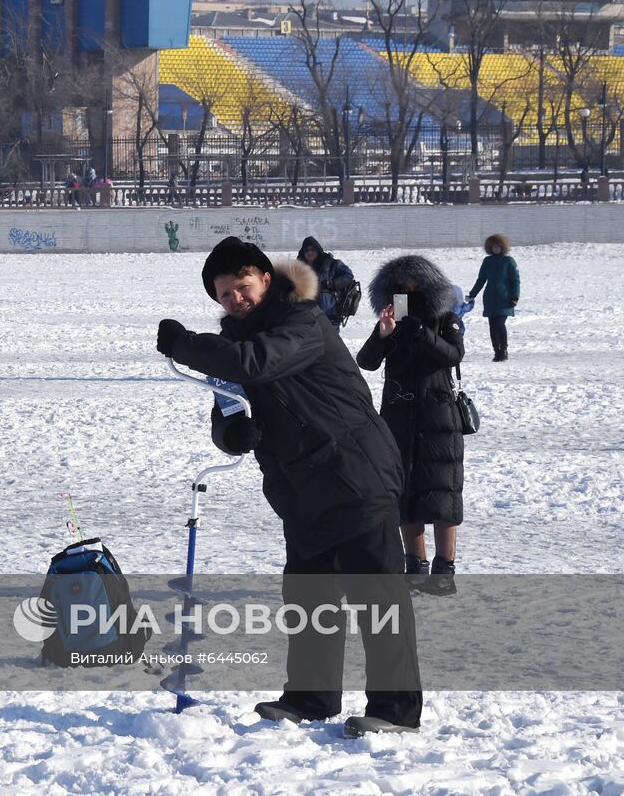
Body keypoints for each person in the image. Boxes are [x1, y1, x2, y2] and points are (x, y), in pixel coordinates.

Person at [156, 236, 421, 737]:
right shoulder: (235, 344)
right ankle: (311, 698)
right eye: (225, 295)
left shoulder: (302, 320)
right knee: (309, 598)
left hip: (356, 475)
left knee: (377, 598)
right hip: (301, 492)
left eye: (243, 286)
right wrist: (232, 432)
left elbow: (256, 362)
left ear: (266, 278)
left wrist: (185, 344)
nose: (236, 299)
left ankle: (396, 708)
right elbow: (231, 398)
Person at [355, 256, 465, 596]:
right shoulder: (392, 320)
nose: (407, 293)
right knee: (404, 492)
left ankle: (445, 567)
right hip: (398, 416)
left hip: (439, 418)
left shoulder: (446, 319)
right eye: (400, 288)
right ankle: (414, 563)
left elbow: (453, 355)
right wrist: (384, 334)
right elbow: (366, 362)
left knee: (443, 492)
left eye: (413, 286)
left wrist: (422, 334)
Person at [466, 233, 521, 362]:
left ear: (502, 247)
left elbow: (515, 280)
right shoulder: (487, 261)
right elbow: (481, 279)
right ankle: (496, 351)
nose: (495, 249)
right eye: (493, 247)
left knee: (500, 324)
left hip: (504, 299)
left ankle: (504, 350)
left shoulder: (509, 261)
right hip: (490, 298)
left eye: (498, 246)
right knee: (492, 326)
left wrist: (515, 297)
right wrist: (473, 293)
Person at [295, 236, 355, 330]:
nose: (309, 252)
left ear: (318, 250)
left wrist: (333, 284)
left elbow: (348, 275)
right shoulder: (298, 268)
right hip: (307, 319)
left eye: (312, 249)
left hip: (330, 317)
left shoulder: (332, 264)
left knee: (331, 344)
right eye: (306, 250)